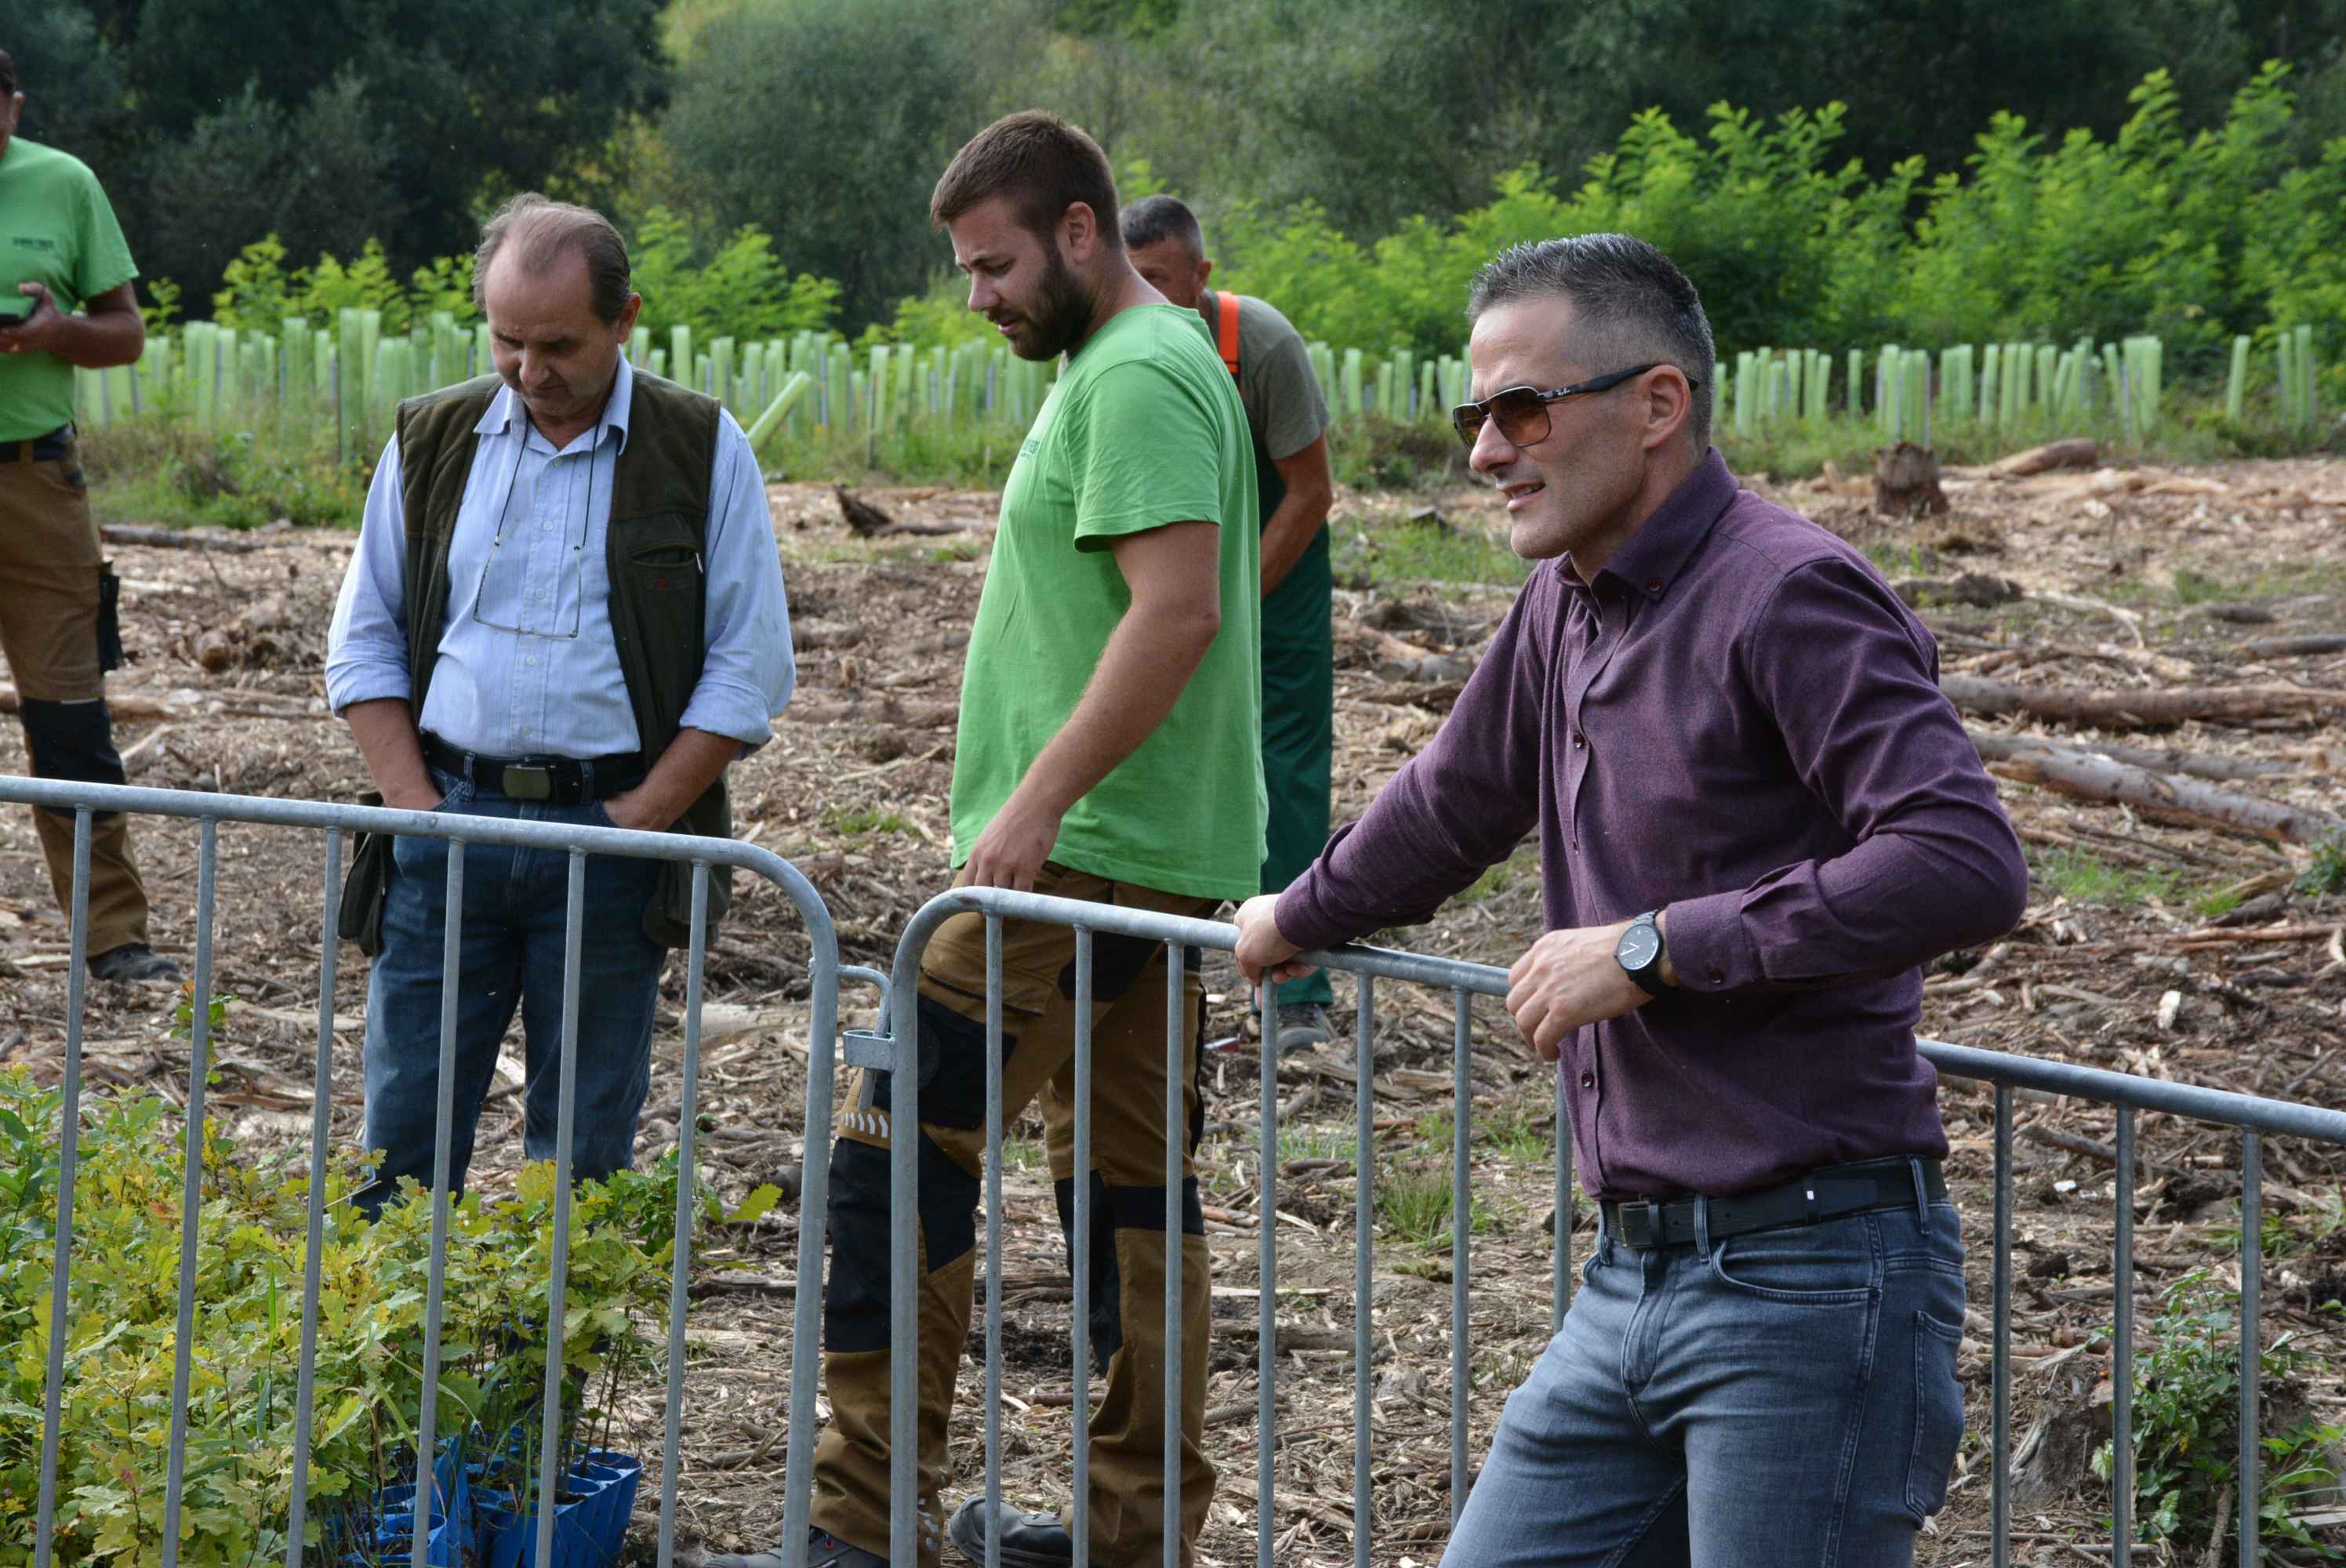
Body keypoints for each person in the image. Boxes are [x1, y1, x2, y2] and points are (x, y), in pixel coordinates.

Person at [1233, 234, 2028, 1567]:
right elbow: (1454, 799)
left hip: (1812, 1283)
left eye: (1523, 408)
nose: (1486, 451)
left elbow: (1961, 857)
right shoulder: (1564, 602)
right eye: (1474, 414)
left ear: (1656, 406)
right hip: (1632, 1279)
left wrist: (1658, 949)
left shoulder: (1788, 592)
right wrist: (1297, 913)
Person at [710, 112, 1262, 1568]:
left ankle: (858, 1524)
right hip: (1144, 856)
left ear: (1081, 230)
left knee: (886, 1158)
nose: (979, 299)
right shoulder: (1134, 363)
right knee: (1136, 1197)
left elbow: (1180, 610)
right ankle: (1128, 1535)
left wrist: (1031, 806)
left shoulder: (1137, 376)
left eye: (995, 264)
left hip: (1074, 859)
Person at [324, 194, 794, 1213]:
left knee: (579, 1156)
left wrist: (636, 822)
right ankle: (397, 1370)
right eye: (507, 341)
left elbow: (747, 667)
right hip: (447, 826)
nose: (532, 372)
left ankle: (539, 1373)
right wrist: (414, 805)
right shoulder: (430, 441)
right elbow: (363, 638)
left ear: (627, 320)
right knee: (400, 1141)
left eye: (561, 346)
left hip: (613, 842)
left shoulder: (701, 450)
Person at [1122, 194, 1336, 1055]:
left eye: (1162, 281)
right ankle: (1148, 969)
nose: (1146, 298)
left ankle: (1296, 992)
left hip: (1272, 580)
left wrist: (1229, 603)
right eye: (1129, 280)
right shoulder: (1111, 345)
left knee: (1281, 767)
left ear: (1202, 276)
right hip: (1169, 569)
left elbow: (1311, 491)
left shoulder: (1265, 346)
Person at [0, 46, 178, 984]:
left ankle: (112, 935)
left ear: (14, 106)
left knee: (69, 717)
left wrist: (50, 331)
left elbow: (126, 331)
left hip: (37, 481)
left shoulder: (64, 184)